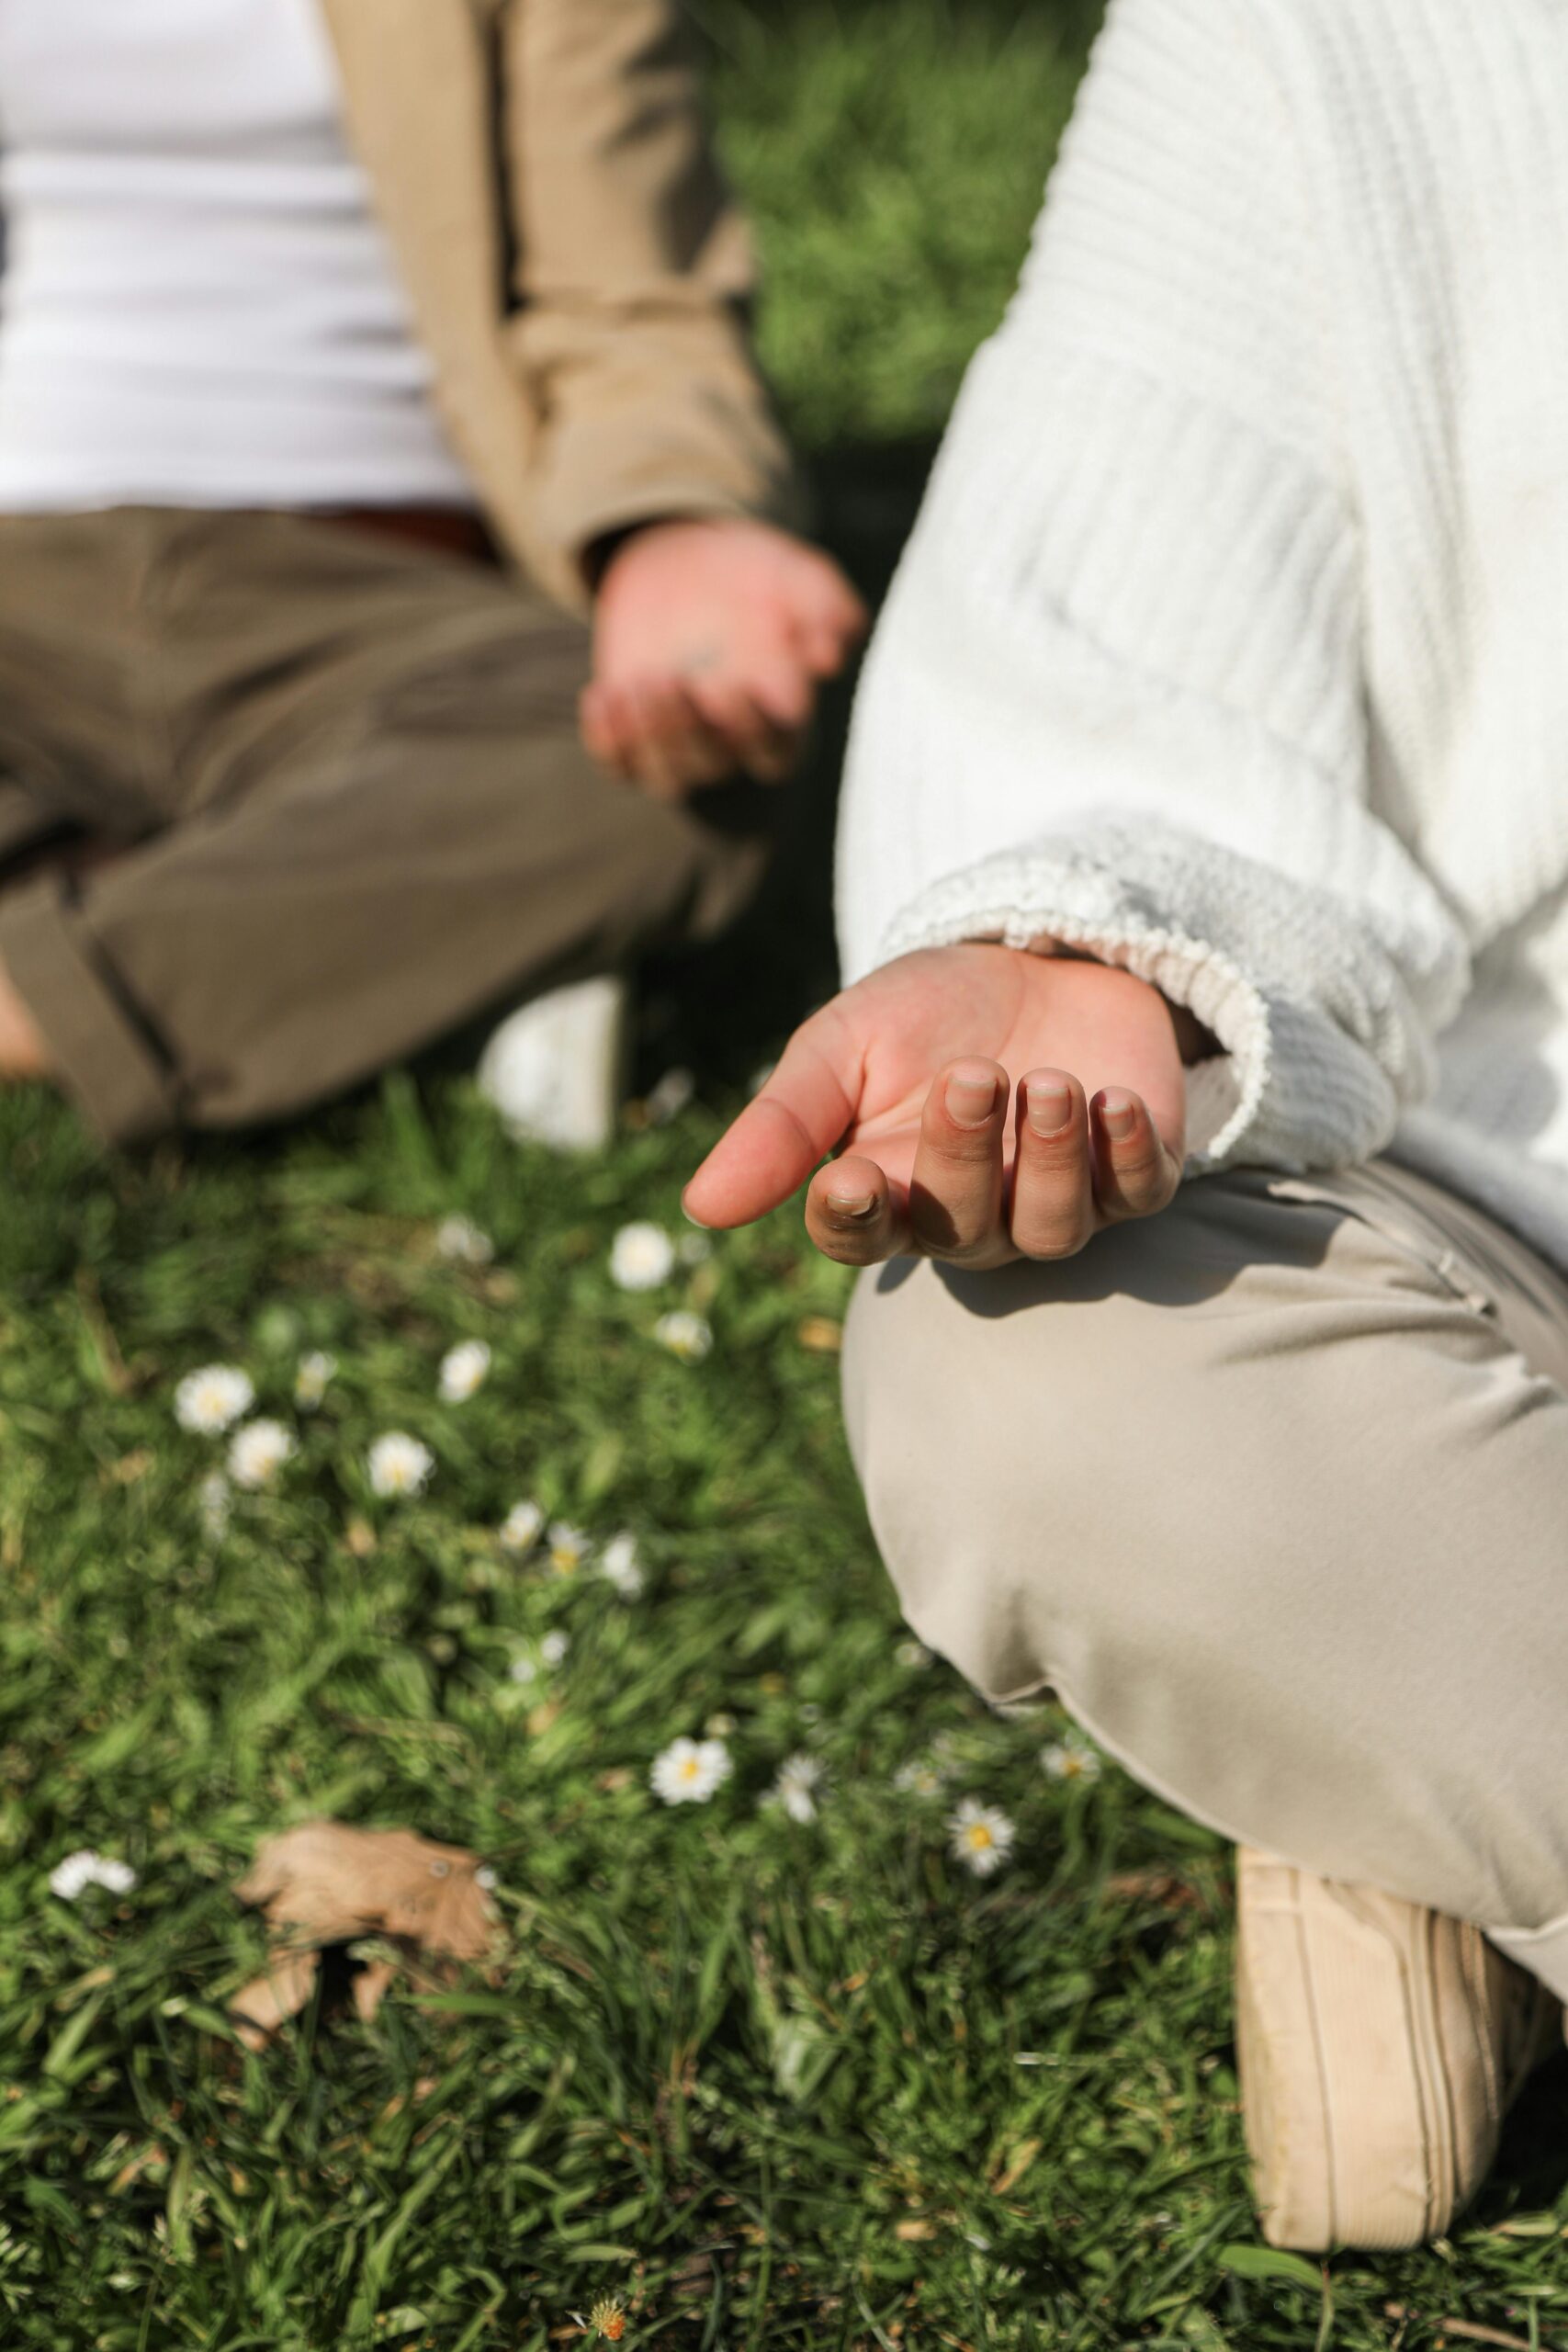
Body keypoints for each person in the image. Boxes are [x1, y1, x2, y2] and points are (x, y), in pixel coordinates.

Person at [686, 0, 1568, 2256]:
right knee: (1037, 1353)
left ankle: (1406, 1740)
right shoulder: (1322, 35)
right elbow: (1133, 644)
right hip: (1511, 1206)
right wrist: (1106, 960)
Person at [0, 0, 865, 1150]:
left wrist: (672, 525)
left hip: (375, 586)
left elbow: (634, 292)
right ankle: (372, 947)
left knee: (679, 761)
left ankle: (51, 977)